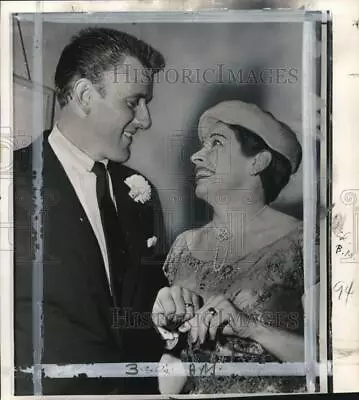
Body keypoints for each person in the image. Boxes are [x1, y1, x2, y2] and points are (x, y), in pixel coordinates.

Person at [14, 27, 168, 395]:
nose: (145, 120)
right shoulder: (10, 183)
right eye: (133, 102)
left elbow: (144, 310)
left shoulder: (141, 195)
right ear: (84, 96)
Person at [152, 100, 319, 394]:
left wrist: (251, 327)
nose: (196, 156)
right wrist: (171, 337)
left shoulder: (306, 241)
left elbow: (337, 362)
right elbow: (170, 384)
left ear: (258, 162)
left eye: (216, 143)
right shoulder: (183, 248)